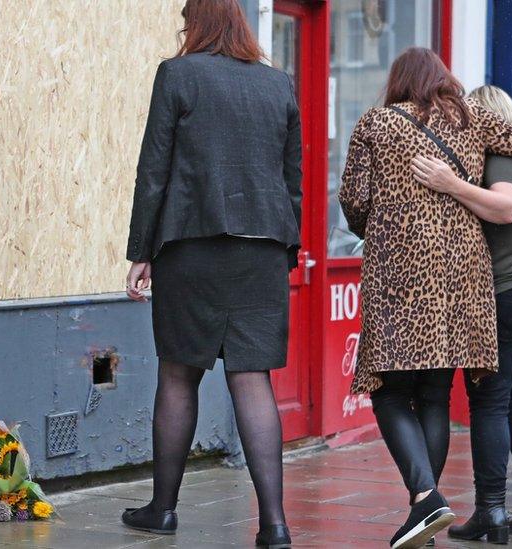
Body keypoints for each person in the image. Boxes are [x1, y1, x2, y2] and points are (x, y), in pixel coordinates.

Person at [339, 48, 512, 549]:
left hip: (399, 273)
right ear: (442, 80)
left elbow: (353, 199)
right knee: (434, 393)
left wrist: (379, 221)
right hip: (464, 276)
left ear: (398, 81)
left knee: (389, 390)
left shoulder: (375, 123)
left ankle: (425, 497)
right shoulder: (472, 117)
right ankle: (425, 520)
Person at [122, 1, 301, 547]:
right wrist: (285, 249)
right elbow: (292, 175)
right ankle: (273, 526)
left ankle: (164, 510)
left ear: (196, 24)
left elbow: (154, 168)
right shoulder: (279, 86)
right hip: (262, 248)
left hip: (192, 243)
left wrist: (140, 249)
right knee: (252, 378)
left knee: (178, 374)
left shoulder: (178, 75)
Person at [412, 85, 512, 544]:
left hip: (508, 293)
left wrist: (449, 183)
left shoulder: (501, 152)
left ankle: (491, 512)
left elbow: (506, 207)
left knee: (492, 404)